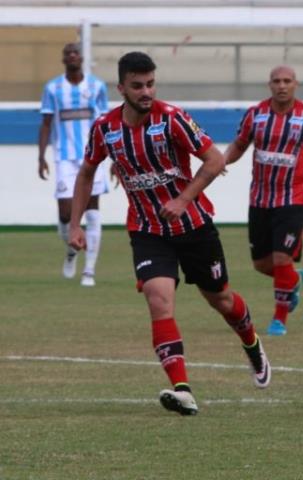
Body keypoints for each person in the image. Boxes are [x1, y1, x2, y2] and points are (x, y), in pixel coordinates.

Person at [69, 52, 270, 416]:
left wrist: (183, 198)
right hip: (147, 230)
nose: (146, 92)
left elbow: (215, 159)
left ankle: (251, 343)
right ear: (121, 88)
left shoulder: (173, 119)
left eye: (150, 84)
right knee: (158, 299)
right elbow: (86, 172)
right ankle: (182, 389)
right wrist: (74, 222)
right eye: (137, 86)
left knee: (221, 300)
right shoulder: (105, 129)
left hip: (194, 227)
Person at [224, 65, 303, 337]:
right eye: (276, 81)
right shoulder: (255, 115)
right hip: (260, 199)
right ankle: (293, 279)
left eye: (287, 81)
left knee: (281, 257)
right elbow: (239, 145)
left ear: (295, 84)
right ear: (269, 85)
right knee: (262, 265)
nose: (282, 86)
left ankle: (279, 319)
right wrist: (221, 161)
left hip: (293, 198)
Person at [38, 42, 109, 287]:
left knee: (92, 211)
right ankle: (71, 251)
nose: (72, 56)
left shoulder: (97, 86)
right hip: (64, 157)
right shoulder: (53, 88)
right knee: (66, 213)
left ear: (81, 58)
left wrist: (114, 156)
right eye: (67, 53)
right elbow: (46, 123)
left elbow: (105, 122)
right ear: (63, 59)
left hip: (93, 157)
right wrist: (41, 157)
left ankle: (89, 270)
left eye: (75, 52)